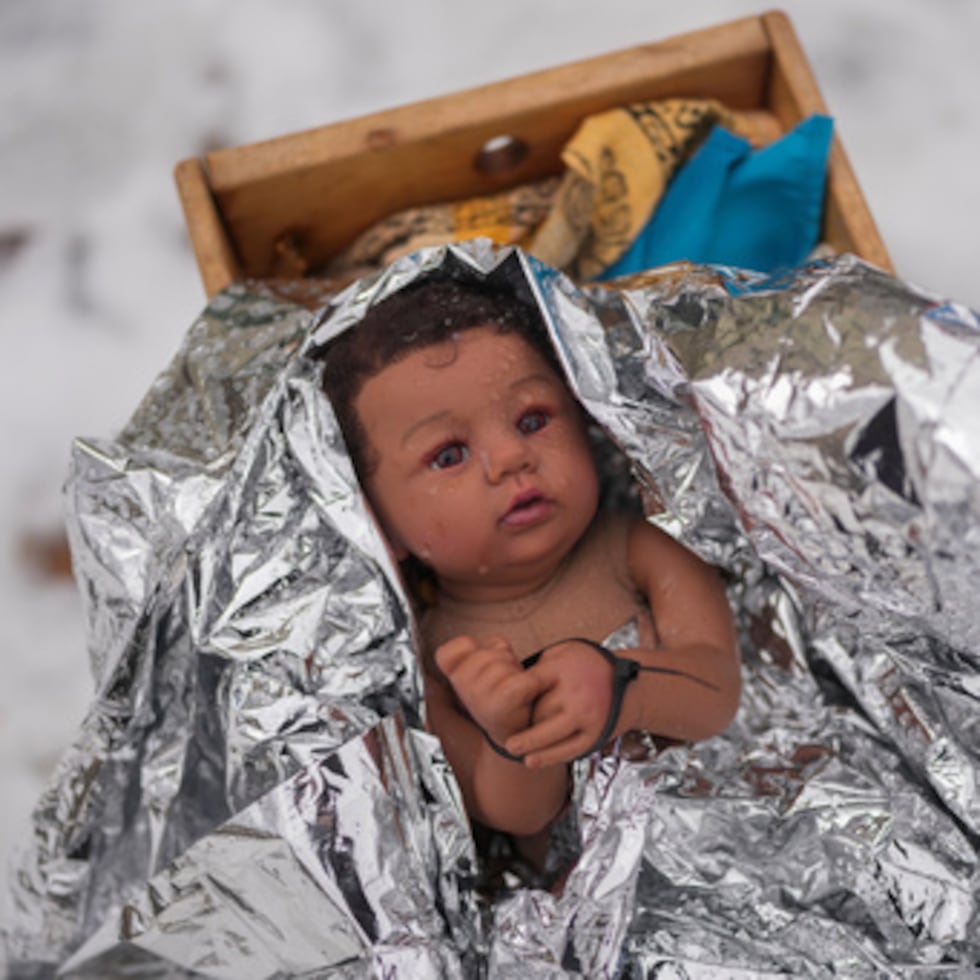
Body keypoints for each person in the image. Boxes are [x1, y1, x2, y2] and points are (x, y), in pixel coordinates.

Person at [318, 276, 740, 864]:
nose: (512, 457)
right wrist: (508, 736)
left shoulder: (636, 548)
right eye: (449, 454)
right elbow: (521, 815)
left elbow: (719, 690)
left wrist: (626, 686)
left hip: (719, 833)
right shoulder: (436, 658)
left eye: (533, 419)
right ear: (380, 529)